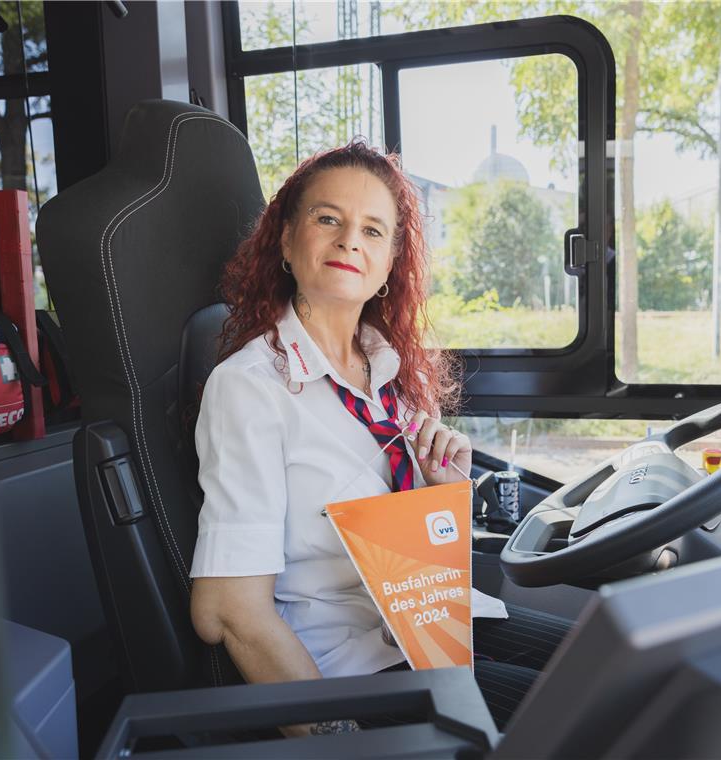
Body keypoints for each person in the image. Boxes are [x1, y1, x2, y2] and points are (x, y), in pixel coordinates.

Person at [189, 140, 572, 734]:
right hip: (355, 663)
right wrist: (336, 738)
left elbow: (406, 543)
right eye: (328, 219)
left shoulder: (388, 371)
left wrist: (442, 491)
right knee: (597, 717)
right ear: (286, 241)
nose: (349, 241)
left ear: (391, 261)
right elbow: (228, 611)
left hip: (434, 619)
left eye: (373, 230)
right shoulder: (249, 388)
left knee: (627, 675)